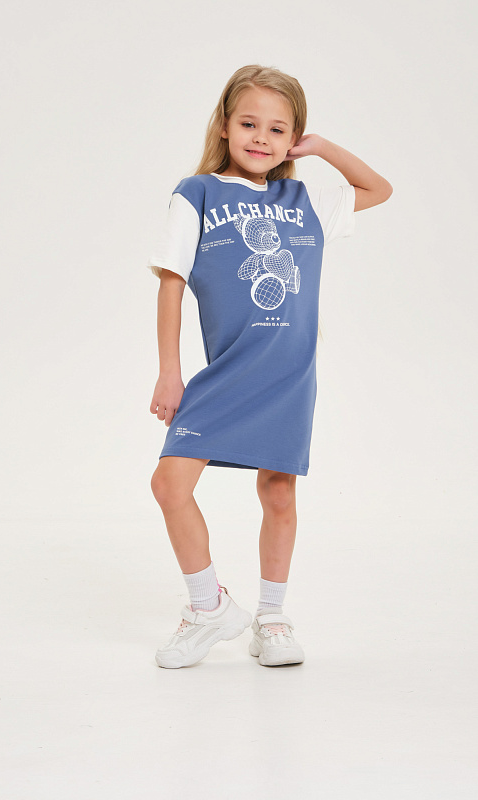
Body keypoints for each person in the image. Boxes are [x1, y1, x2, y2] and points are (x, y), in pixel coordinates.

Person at [146, 64, 392, 669]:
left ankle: (273, 619)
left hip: (288, 376)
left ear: (293, 137)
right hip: (226, 372)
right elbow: (172, 282)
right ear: (225, 126)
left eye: (279, 129)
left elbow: (379, 189)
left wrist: (321, 147)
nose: (262, 138)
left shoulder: (305, 201)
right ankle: (208, 606)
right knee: (169, 483)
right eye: (249, 124)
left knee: (278, 493)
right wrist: (170, 371)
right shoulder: (196, 193)